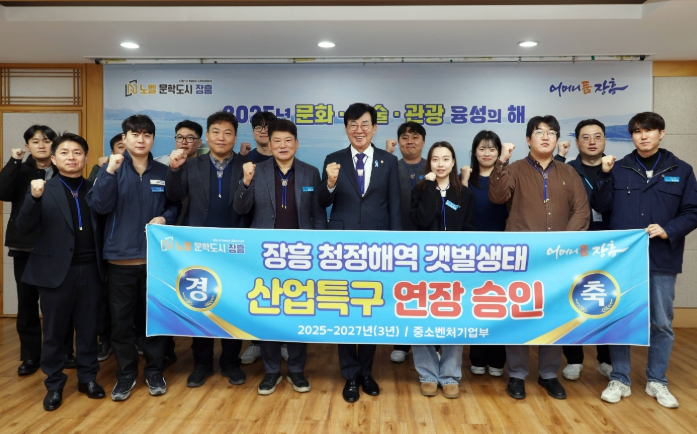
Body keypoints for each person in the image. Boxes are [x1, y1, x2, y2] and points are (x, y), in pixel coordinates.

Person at [593, 112, 697, 408]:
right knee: (620, 318)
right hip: (624, 260)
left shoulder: (681, 170)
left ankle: (657, 380)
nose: (643, 136)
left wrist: (668, 230)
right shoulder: (619, 167)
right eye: (637, 131)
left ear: (661, 133)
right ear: (632, 136)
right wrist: (603, 175)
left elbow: (692, 211)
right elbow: (600, 206)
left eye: (649, 130)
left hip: (662, 257)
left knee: (661, 322)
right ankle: (620, 378)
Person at [489, 115, 590, 400]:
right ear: (528, 139)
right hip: (522, 259)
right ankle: (517, 374)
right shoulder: (514, 169)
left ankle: (548, 374)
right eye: (539, 132)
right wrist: (502, 162)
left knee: (554, 316)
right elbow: (497, 196)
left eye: (551, 132)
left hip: (558, 259)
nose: (545, 137)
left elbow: (581, 211)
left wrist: (561, 245)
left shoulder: (569, 173)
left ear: (557, 139)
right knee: (519, 315)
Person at [86, 114, 179, 401]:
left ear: (153, 139)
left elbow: (175, 205)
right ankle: (126, 375)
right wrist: (110, 172)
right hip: (120, 261)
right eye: (135, 134)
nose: (141, 140)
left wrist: (165, 217)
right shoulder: (111, 168)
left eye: (146, 135)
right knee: (121, 324)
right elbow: (99, 205)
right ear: (124, 138)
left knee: (155, 321)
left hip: (156, 262)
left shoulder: (163, 171)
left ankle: (154, 370)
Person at [233, 119, 327, 395]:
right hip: (265, 256)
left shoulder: (310, 172)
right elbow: (240, 208)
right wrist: (245, 182)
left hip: (301, 256)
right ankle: (271, 370)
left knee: (298, 312)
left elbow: (319, 214)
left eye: (288, 140)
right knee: (268, 313)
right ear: (269, 144)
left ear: (296, 143)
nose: (283, 145)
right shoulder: (256, 170)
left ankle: (296, 369)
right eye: (277, 141)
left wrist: (320, 249)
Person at [15, 133, 107, 411]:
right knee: (54, 332)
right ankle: (54, 384)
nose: (71, 157)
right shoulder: (43, 188)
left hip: (91, 270)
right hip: (56, 273)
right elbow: (23, 227)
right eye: (64, 152)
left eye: (77, 152)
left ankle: (88, 378)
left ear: (86, 158)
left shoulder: (95, 189)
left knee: (89, 329)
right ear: (54, 159)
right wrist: (33, 198)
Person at [318, 102, 402, 402]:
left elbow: (394, 206)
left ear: (374, 128)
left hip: (377, 246)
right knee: (345, 307)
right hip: (342, 245)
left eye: (365, 124)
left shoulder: (388, 161)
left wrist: (395, 246)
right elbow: (322, 202)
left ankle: (366, 371)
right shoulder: (333, 159)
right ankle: (350, 374)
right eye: (353, 124)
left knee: (370, 307)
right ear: (346, 129)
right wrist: (329, 183)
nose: (359, 130)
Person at [166, 111, 249, 388]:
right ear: (208, 136)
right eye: (216, 131)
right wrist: (174, 170)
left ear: (235, 137)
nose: (221, 137)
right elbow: (174, 196)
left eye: (227, 132)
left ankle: (230, 362)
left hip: (235, 249)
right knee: (200, 304)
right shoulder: (192, 165)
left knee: (231, 307)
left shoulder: (248, 166)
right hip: (198, 248)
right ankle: (201, 363)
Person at [0, 125, 77, 375]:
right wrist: (14, 161)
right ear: (27, 146)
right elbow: (3, 192)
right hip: (25, 247)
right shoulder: (19, 169)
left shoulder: (64, 170)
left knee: (59, 303)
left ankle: (64, 352)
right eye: (35, 141)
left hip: (56, 247)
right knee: (27, 303)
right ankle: (30, 356)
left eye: (46, 140)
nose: (41, 145)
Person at [410, 141, 475, 398]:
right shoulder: (419, 190)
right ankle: (427, 373)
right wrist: (428, 189)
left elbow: (470, 230)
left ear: (453, 162)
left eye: (446, 159)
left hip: (455, 267)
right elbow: (422, 220)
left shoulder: (464, 194)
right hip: (424, 266)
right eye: (435, 159)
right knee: (422, 317)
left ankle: (449, 375)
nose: (440, 164)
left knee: (453, 318)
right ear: (429, 163)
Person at [553, 119, 613, 381]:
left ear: (604, 140)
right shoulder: (567, 169)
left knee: (606, 299)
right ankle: (574, 359)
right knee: (572, 300)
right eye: (585, 137)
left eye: (597, 136)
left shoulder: (617, 169)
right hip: (575, 242)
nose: (592, 142)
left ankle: (606, 359)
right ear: (577, 142)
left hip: (609, 244)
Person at [461, 130, 508, 378]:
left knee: (499, 306)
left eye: (492, 149)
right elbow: (457, 209)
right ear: (474, 152)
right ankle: (477, 357)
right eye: (482, 148)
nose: (487, 153)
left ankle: (498, 358)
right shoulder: (466, 178)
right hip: (472, 253)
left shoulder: (508, 177)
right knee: (477, 306)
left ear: (499, 152)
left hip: (503, 252)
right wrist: (463, 183)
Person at [238, 111, 282, 364]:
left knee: (284, 293)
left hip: (284, 239)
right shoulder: (246, 161)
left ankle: (284, 342)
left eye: (268, 127)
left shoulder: (285, 159)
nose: (263, 131)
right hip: (253, 237)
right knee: (258, 293)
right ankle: (256, 343)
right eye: (258, 127)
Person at [385, 122, 428, 364]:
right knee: (401, 292)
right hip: (397, 240)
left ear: (423, 141)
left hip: (427, 243)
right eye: (404, 137)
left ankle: (429, 343)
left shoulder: (432, 166)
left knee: (426, 293)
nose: (410, 141)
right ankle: (400, 343)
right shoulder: (391, 167)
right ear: (399, 142)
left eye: (415, 137)